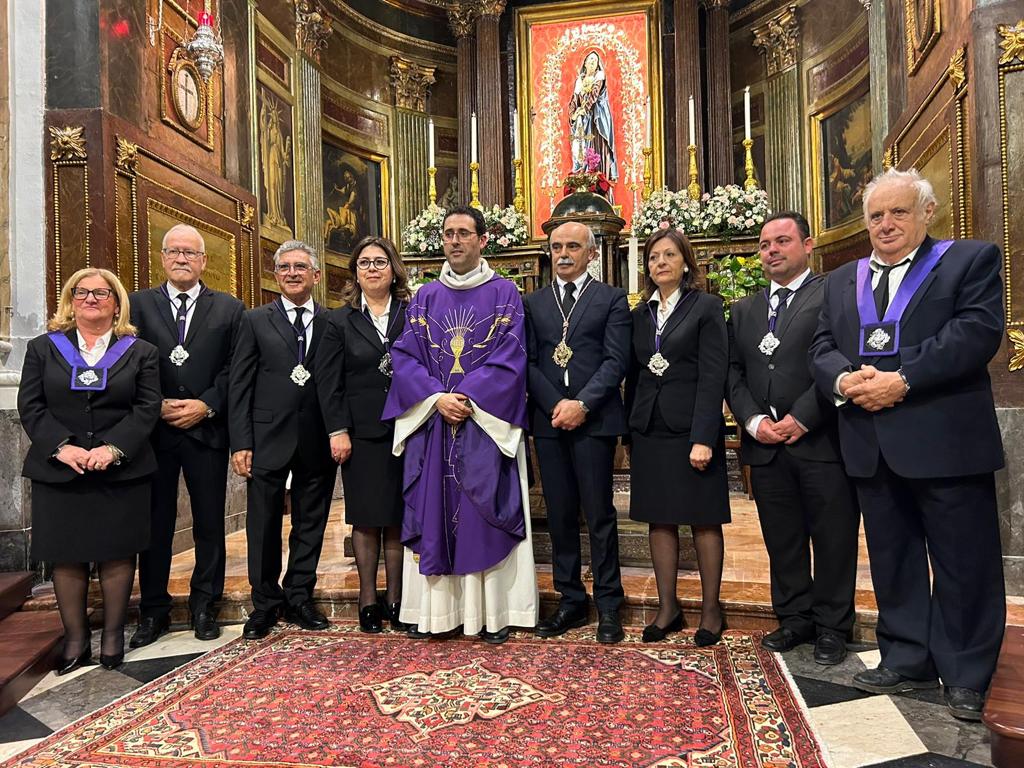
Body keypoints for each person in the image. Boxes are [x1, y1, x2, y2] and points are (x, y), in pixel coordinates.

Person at [810, 167, 1006, 720]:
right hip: (870, 441)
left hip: (943, 440)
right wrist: (844, 380)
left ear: (927, 213)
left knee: (964, 562)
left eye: (899, 212)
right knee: (893, 558)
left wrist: (904, 378)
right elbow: (822, 342)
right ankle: (905, 656)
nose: (886, 223)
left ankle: (966, 672)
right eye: (876, 215)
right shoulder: (843, 278)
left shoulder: (969, 260)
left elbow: (975, 331)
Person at [382, 205, 538, 644]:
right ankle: (433, 612)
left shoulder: (505, 292)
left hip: (483, 423)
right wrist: (436, 397)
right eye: (448, 233)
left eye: (464, 233)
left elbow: (511, 358)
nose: (454, 240)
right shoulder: (426, 296)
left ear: (482, 240)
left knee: (482, 514)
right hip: (436, 421)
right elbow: (405, 355)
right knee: (435, 507)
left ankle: (492, 613)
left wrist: (465, 397)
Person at [727, 211, 859, 665]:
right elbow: (735, 372)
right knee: (781, 537)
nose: (772, 251)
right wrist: (752, 421)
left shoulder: (833, 296)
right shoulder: (744, 309)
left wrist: (804, 416)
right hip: (765, 446)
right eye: (765, 245)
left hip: (820, 441)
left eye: (782, 241)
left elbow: (841, 358)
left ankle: (832, 625)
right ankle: (794, 617)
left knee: (832, 537)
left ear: (807, 244)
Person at [18, 269, 161, 673]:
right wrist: (62, 447)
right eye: (82, 292)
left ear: (117, 303)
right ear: (70, 299)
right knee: (67, 556)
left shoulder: (140, 352)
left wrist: (112, 448)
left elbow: (147, 408)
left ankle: (113, 636)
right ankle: (76, 640)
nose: (91, 298)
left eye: (101, 293)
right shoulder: (43, 349)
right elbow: (31, 405)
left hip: (120, 470)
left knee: (117, 553)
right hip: (60, 469)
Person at [129, 224, 244, 648]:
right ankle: (153, 610)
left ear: (203, 261)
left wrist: (207, 405)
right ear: (162, 257)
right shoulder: (138, 305)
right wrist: (152, 403)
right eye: (174, 251)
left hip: (206, 430)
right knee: (155, 525)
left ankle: (204, 606)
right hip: (154, 432)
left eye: (190, 253)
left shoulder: (230, 309)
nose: (181, 259)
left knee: (210, 524)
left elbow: (235, 368)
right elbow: (126, 363)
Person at [525, 221, 629, 644]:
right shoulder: (533, 302)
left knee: (599, 514)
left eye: (572, 246)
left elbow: (616, 360)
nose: (563, 253)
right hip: (550, 424)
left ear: (591, 253)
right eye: (556, 246)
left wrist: (581, 404)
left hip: (595, 421)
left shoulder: (611, 299)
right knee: (561, 515)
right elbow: (527, 362)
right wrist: (556, 405)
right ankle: (570, 598)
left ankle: (608, 604)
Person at [625, 228, 729, 645]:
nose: (661, 263)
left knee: (703, 518)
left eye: (669, 255)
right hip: (650, 427)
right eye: (653, 257)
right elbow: (634, 375)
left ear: (686, 261)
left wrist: (705, 435)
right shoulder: (639, 314)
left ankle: (710, 610)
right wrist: (631, 433)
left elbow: (713, 373)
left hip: (692, 429)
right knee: (659, 517)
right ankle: (668, 608)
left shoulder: (706, 308)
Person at [229, 240, 335, 640]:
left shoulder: (332, 321)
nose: (292, 273)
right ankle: (265, 603)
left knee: (311, 524)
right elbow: (239, 383)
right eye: (285, 267)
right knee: (263, 525)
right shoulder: (255, 320)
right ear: (276, 275)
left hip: (315, 438)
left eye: (300, 267)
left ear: (316, 275)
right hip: (266, 437)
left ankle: (299, 597)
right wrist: (241, 441)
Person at [316, 236, 410, 633]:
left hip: (408, 428)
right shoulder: (338, 321)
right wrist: (338, 430)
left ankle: (399, 598)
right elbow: (328, 381)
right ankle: (368, 598)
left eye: (380, 261)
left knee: (400, 518)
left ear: (393, 269)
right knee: (368, 518)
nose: (372, 268)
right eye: (364, 262)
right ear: (355, 272)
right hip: (362, 433)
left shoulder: (413, 313)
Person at [568, 51, 618, 188]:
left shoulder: (599, 77)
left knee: (596, 150)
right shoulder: (580, 80)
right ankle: (583, 184)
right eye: (589, 59)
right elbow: (574, 101)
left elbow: (594, 94)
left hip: (597, 121)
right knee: (582, 152)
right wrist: (573, 115)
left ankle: (601, 191)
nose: (592, 62)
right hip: (583, 123)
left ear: (597, 65)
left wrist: (584, 109)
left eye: (595, 61)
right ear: (584, 63)